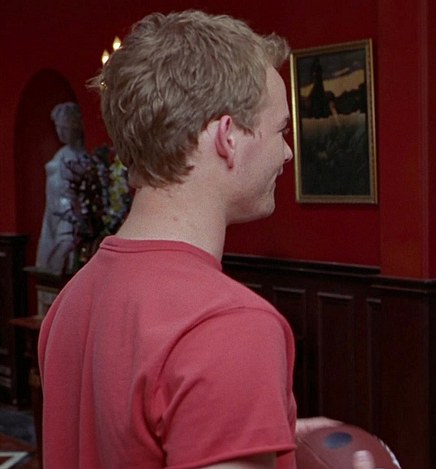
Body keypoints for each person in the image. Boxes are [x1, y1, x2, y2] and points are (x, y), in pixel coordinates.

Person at [38, 11, 375, 469]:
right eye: (281, 130)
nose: (287, 152)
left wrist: (250, 431)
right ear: (227, 137)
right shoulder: (228, 324)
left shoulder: (73, 300)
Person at [36, 102, 86, 274]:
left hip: (72, 218)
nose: (61, 132)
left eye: (65, 127)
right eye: (58, 127)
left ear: (77, 125)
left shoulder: (83, 157)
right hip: (55, 216)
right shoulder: (61, 155)